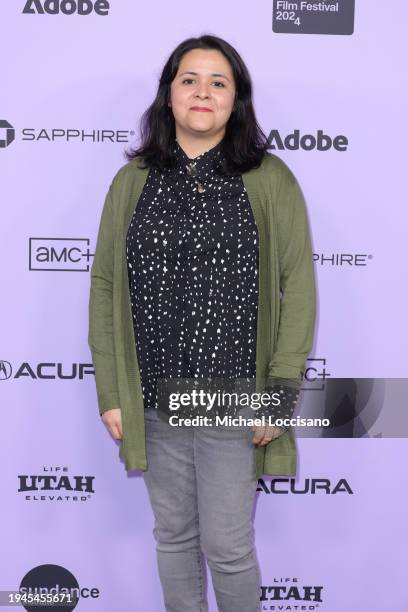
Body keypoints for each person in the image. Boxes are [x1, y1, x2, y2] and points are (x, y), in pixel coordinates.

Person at [88, 34, 316, 612]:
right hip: (154, 399)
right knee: (174, 539)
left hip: (233, 398)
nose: (203, 92)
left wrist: (279, 397)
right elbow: (106, 286)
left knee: (228, 546)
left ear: (235, 101)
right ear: (169, 94)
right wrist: (113, 393)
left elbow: (299, 288)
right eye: (190, 79)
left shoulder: (269, 179)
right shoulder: (132, 180)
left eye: (219, 82)